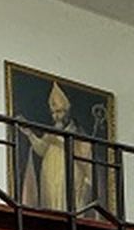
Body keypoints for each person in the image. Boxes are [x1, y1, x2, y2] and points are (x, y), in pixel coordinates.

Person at [19, 82, 93, 212]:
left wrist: (61, 142)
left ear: (68, 111)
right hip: (49, 177)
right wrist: (29, 133)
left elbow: (84, 159)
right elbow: (41, 149)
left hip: (68, 178)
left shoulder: (77, 133)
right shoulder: (51, 132)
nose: (56, 116)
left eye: (59, 112)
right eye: (53, 113)